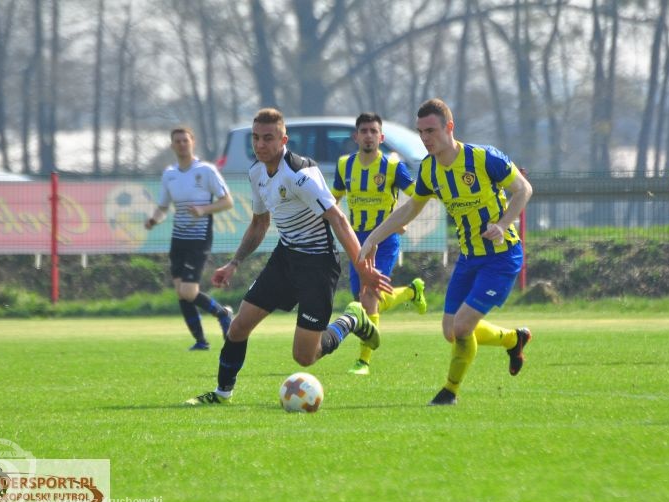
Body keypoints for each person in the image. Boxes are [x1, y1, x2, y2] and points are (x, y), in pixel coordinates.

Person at [186, 108, 391, 406]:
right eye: (256, 138)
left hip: (318, 264)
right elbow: (260, 223)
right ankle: (222, 393)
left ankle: (351, 319)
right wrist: (234, 262)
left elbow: (338, 219)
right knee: (238, 327)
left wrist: (362, 268)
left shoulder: (300, 174)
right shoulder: (257, 173)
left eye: (268, 138)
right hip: (285, 258)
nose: (260, 144)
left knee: (305, 356)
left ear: (283, 140)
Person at [358, 98, 533, 406]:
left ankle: (449, 391)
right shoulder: (429, 170)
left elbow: (523, 189)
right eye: (421, 132)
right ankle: (512, 339)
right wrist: (373, 237)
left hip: (502, 257)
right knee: (451, 331)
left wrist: (504, 224)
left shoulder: (483, 158)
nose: (425, 138)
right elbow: (410, 208)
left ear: (449, 127)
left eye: (431, 131)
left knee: (463, 326)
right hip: (468, 258)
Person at [332, 112, 428, 376]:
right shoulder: (344, 165)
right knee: (362, 301)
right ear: (356, 136)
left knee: (369, 297)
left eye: (373, 131)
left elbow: (418, 196)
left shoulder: (393, 167)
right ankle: (411, 292)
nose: (368, 136)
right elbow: (333, 199)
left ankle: (363, 361)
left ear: (381, 137)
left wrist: (400, 221)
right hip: (356, 241)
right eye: (364, 131)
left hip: (384, 240)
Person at [145, 126, 234, 351]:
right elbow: (163, 207)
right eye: (177, 141)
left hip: (199, 238)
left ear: (193, 142)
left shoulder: (206, 170)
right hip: (178, 239)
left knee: (189, 291)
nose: (182, 144)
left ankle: (223, 314)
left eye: (185, 140)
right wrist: (153, 220)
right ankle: (201, 341)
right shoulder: (169, 174)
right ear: (172, 145)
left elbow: (227, 201)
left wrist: (203, 210)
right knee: (181, 292)